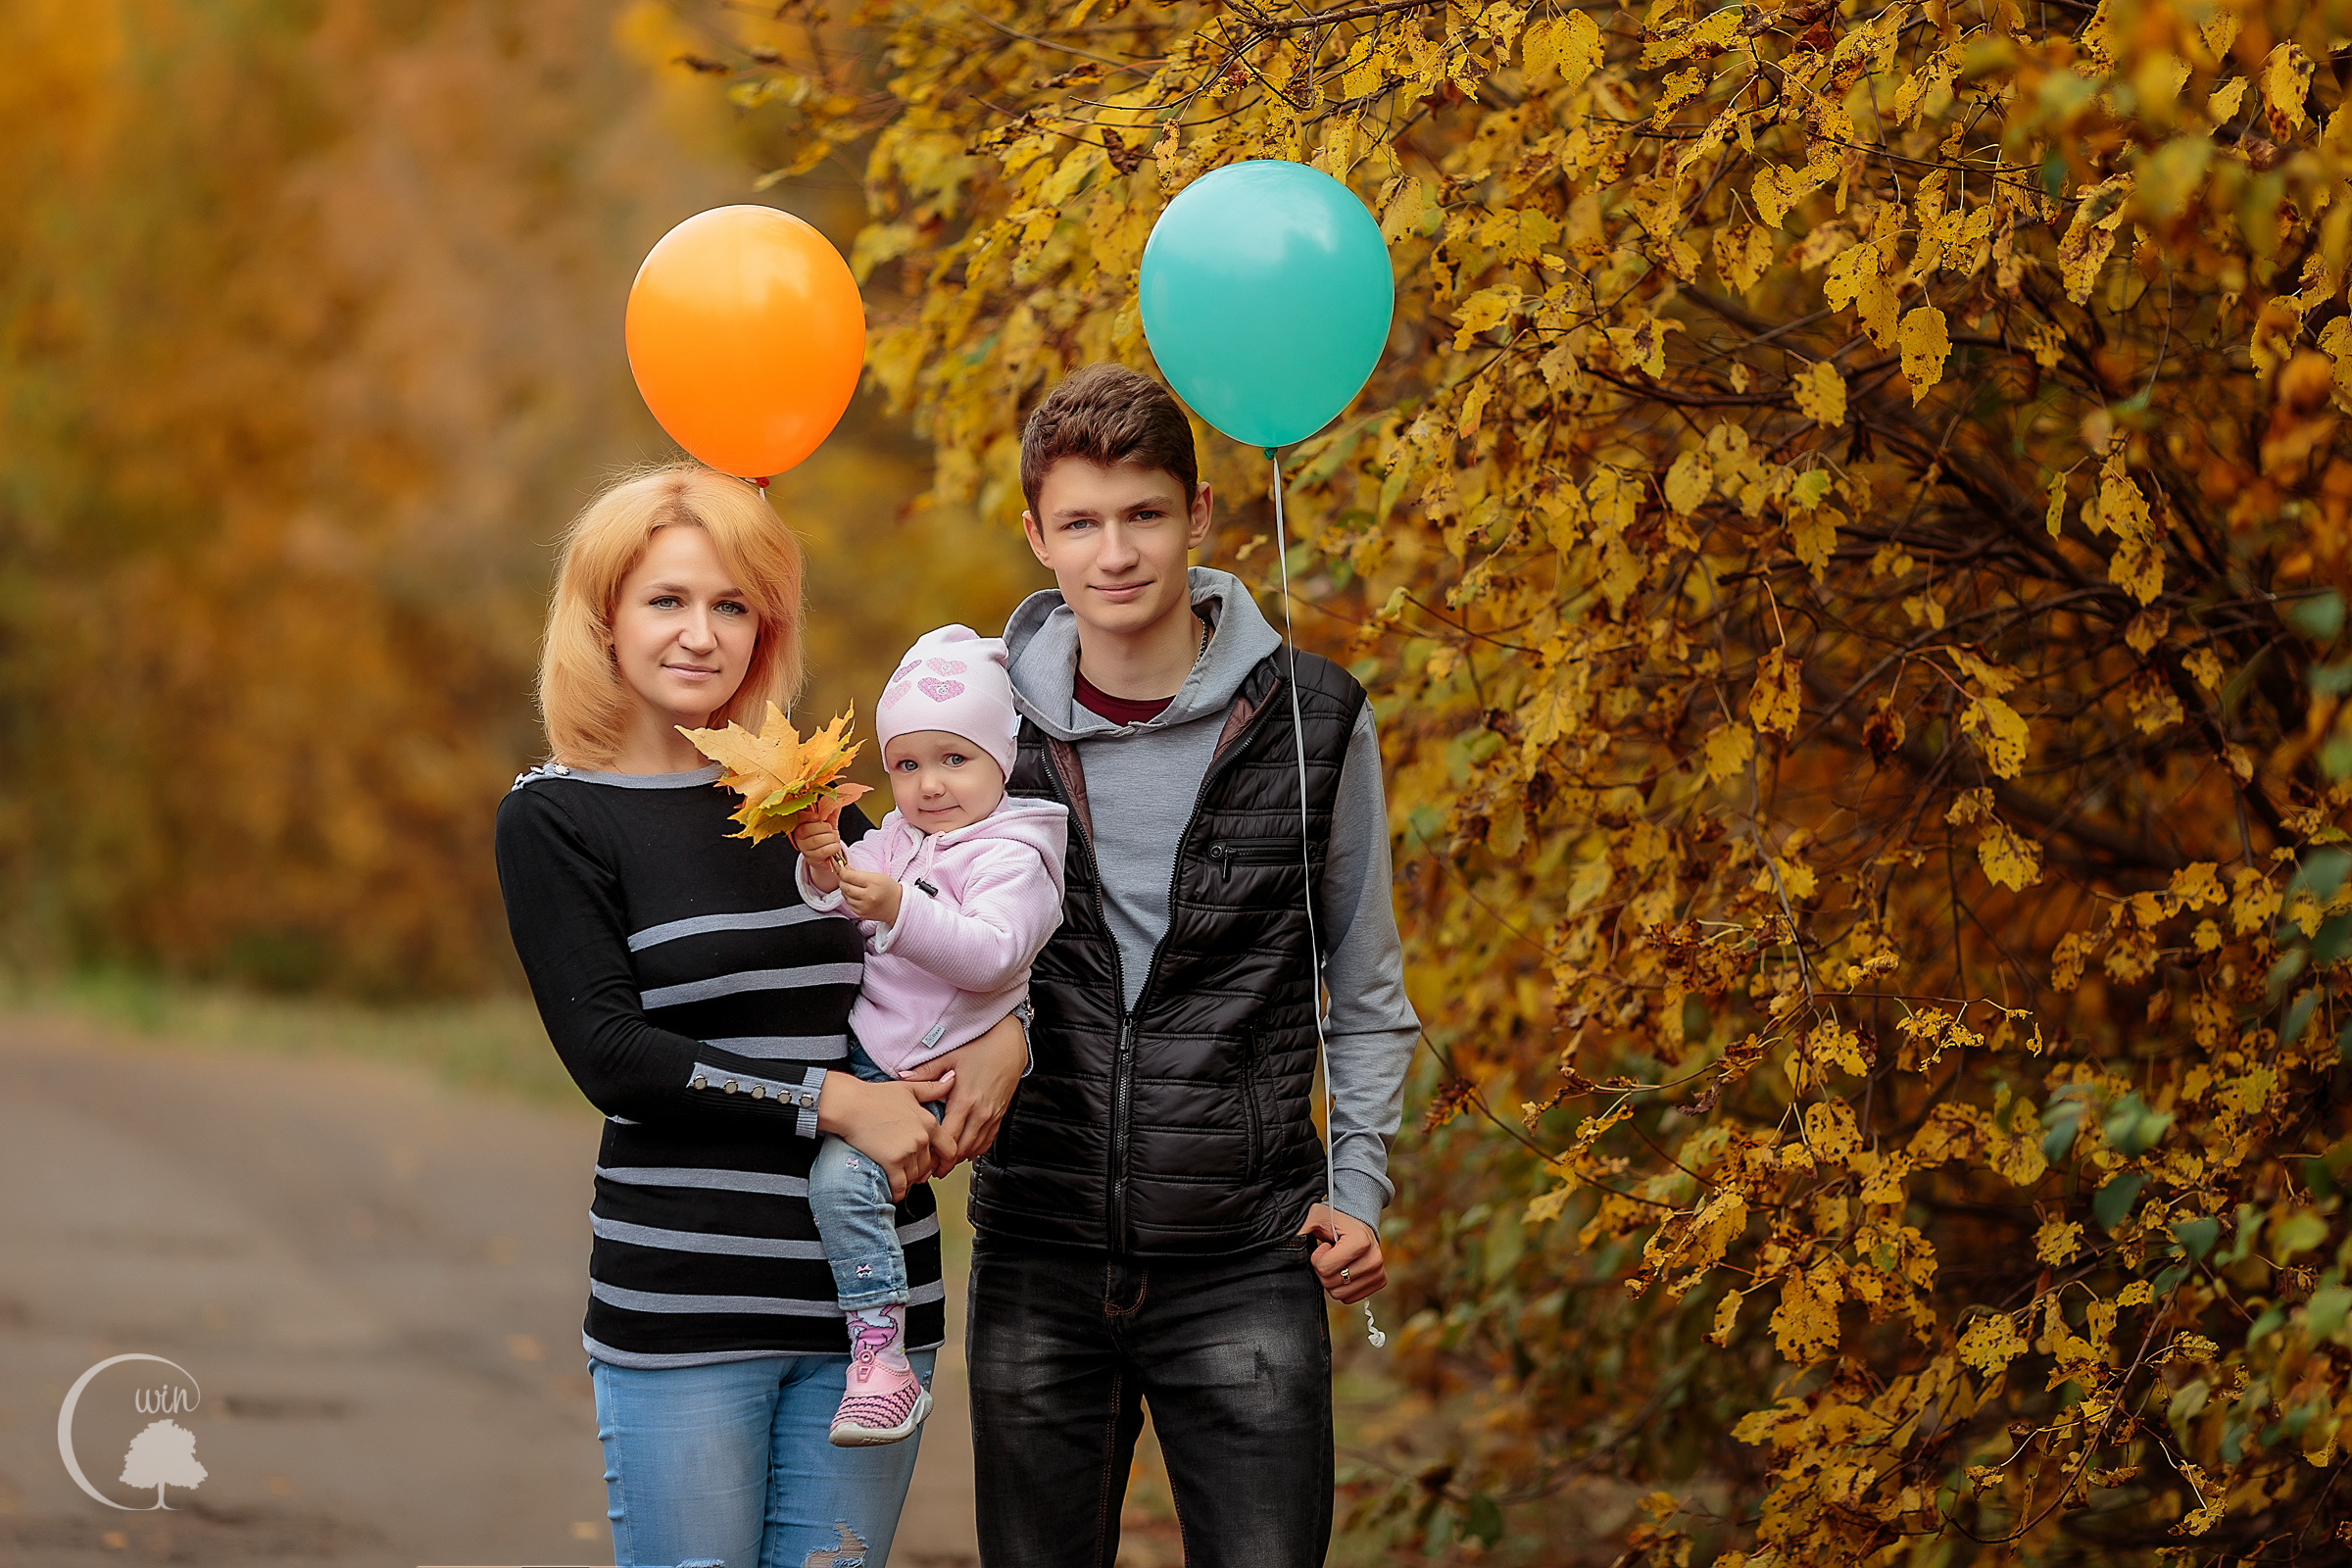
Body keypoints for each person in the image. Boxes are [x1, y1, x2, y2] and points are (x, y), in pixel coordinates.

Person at [491, 463, 1028, 1568]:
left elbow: (961, 947)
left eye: (732, 604)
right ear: (603, 618)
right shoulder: (556, 817)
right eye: (668, 601)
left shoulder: (818, 798)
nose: (701, 633)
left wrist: (1010, 1039)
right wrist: (835, 1103)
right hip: (687, 1298)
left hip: (873, 1302)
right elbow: (614, 1054)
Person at [968, 365, 1421, 1566]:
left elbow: (1368, 993)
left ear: (1200, 515)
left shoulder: (1315, 720)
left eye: (1143, 515)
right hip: (1038, 1250)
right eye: (1079, 522)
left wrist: (1359, 1188)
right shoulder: (977, 727)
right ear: (1037, 536)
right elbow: (912, 943)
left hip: (1248, 1260)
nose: (1114, 552)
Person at [788, 623, 1068, 1446]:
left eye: (954, 759)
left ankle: (884, 1363)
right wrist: (821, 862)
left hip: (939, 1072)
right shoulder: (901, 838)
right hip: (871, 1054)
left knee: (841, 1184)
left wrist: (901, 911)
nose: (929, 785)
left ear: (1000, 759)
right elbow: (844, 896)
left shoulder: (1015, 853)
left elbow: (993, 954)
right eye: (907, 765)